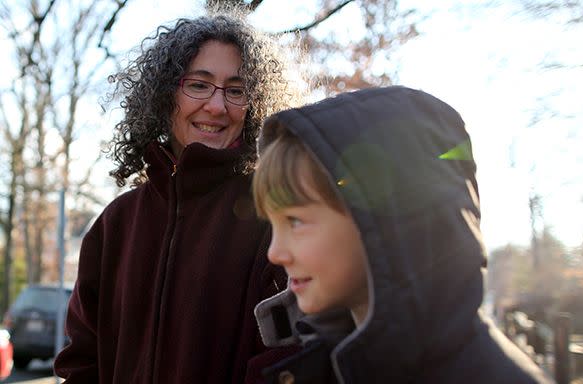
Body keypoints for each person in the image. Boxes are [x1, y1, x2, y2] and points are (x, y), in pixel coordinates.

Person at [54, 6, 305, 384]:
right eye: (199, 85)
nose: (217, 106)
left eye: (236, 90)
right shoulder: (115, 225)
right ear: (165, 94)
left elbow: (289, 359)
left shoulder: (277, 212)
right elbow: (81, 362)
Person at [252, 86, 555, 383]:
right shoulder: (329, 366)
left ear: (386, 222)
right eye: (274, 223)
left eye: (295, 221)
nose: (275, 253)